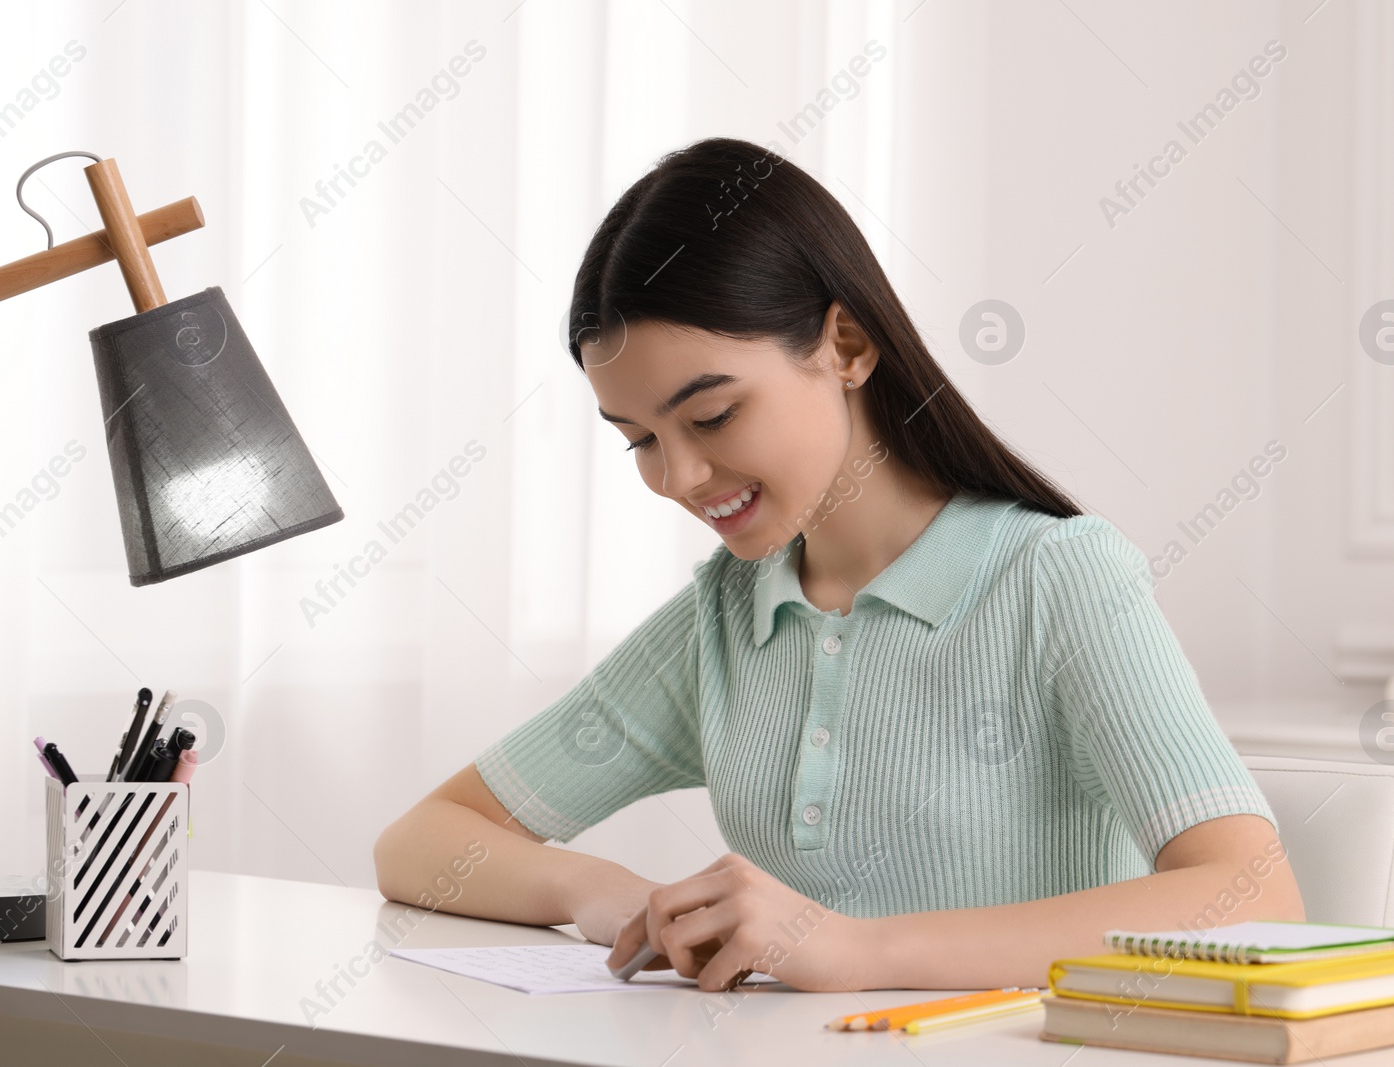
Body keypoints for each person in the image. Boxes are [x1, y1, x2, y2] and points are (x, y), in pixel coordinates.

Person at [373, 136, 1303, 993]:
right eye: (639, 440)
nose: (678, 477)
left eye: (712, 416)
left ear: (846, 347)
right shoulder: (730, 616)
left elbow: (1255, 896)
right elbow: (421, 842)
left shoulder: (1058, 579)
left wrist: (855, 948)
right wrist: (610, 895)